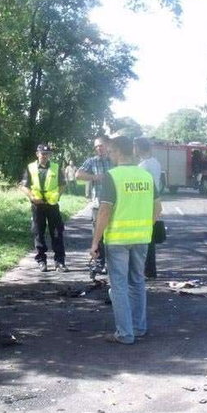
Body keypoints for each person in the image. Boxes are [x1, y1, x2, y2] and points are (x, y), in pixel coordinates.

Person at [90, 136, 160, 344]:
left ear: (119, 151)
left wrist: (95, 241)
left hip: (118, 240)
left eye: (111, 151)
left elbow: (104, 211)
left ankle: (125, 334)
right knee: (137, 282)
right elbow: (158, 208)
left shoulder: (113, 176)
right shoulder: (145, 175)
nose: (109, 155)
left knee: (119, 286)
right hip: (141, 238)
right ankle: (139, 328)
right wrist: (146, 226)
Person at [19, 144, 67, 273]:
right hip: (37, 205)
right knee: (38, 233)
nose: (44, 156)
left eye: (47, 154)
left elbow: (63, 184)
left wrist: (58, 195)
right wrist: (32, 197)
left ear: (49, 155)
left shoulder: (56, 167)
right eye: (42, 154)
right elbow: (23, 186)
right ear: (37, 154)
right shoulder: (30, 168)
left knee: (57, 233)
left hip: (52, 205)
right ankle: (41, 261)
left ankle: (60, 262)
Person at [76, 136, 112, 273]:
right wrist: (94, 177)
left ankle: (112, 263)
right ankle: (100, 263)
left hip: (115, 204)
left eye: (101, 145)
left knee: (113, 235)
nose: (99, 148)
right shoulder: (92, 161)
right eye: (96, 146)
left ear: (108, 145)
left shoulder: (114, 160)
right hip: (98, 204)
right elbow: (78, 175)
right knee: (99, 234)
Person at [135, 138, 162, 279]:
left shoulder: (142, 166)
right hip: (153, 202)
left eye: (135, 147)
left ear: (139, 148)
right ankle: (150, 270)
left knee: (144, 239)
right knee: (149, 238)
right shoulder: (155, 163)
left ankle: (147, 270)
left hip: (144, 204)